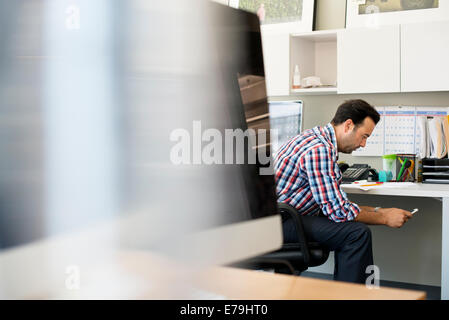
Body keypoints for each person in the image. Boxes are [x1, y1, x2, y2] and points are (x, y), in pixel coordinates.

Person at [274, 99, 413, 284]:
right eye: (364, 136)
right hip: (280, 222)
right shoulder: (320, 150)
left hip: (283, 217)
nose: (363, 144)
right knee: (356, 234)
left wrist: (379, 211)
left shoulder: (314, 138)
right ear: (348, 125)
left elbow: (337, 206)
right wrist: (385, 218)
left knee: (352, 227)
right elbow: (339, 212)